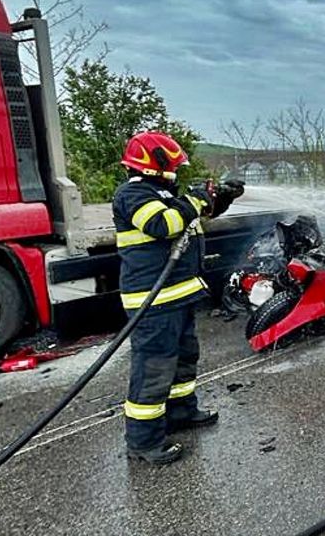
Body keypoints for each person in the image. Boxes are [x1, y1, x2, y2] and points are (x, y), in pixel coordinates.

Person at [114, 131, 245, 465]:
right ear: (153, 165)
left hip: (178, 296)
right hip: (153, 300)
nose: (176, 172)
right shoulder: (132, 194)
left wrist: (221, 198)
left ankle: (181, 413)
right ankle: (143, 442)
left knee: (184, 358)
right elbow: (163, 224)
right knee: (155, 368)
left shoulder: (163, 192)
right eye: (172, 166)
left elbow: (192, 218)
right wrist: (194, 200)